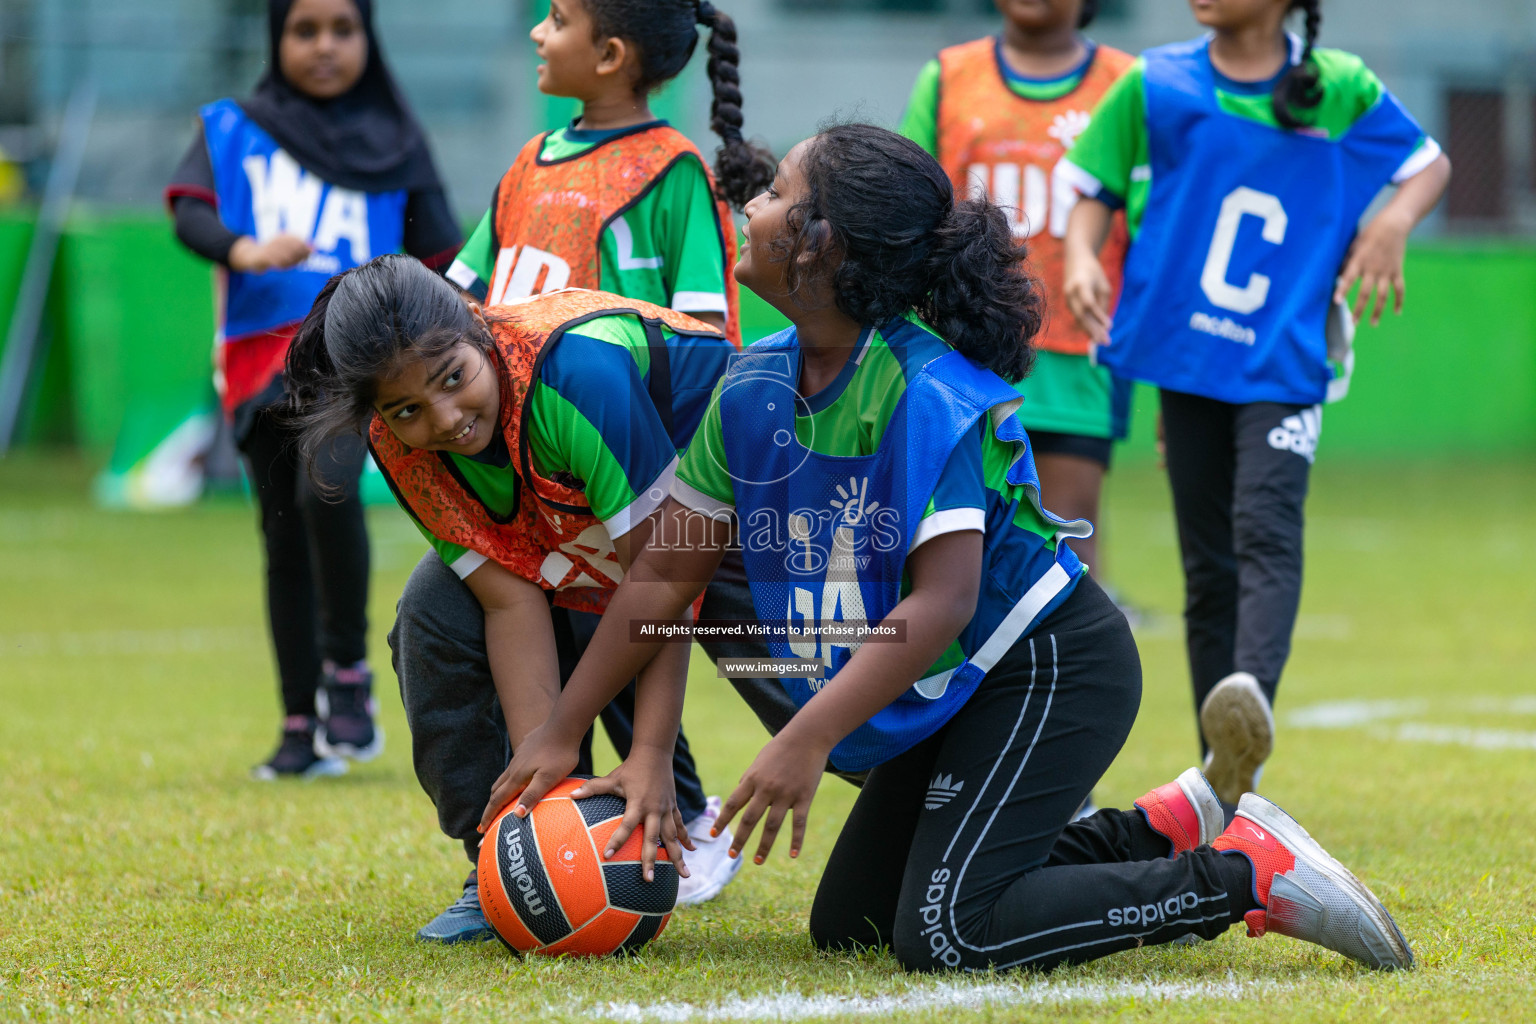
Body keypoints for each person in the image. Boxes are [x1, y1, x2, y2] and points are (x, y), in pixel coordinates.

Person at [484, 124, 1414, 973]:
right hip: (956, 693)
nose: (749, 205)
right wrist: (564, 730)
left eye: (772, 192)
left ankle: (1247, 875)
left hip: (1049, 667)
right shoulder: (750, 385)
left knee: (949, 931)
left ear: (821, 244)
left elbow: (943, 604)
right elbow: (662, 573)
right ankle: (1169, 824)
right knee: (851, 926)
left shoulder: (926, 392)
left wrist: (805, 741)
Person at [283, 256, 787, 942]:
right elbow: (508, 598)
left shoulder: (578, 375)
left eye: (453, 379)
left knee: (820, 693)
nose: (447, 419)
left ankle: (937, 797)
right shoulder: (396, 446)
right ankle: (505, 863)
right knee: (433, 607)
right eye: (407, 410)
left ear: (478, 329)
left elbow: (667, 577)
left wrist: (649, 757)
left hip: (751, 513)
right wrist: (541, 780)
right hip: (604, 536)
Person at [1059, 0, 1451, 809]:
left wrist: (1393, 223)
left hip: (1284, 358)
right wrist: (1078, 257)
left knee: (1266, 525)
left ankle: (1250, 710)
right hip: (1187, 356)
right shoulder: (1156, 83)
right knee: (1208, 567)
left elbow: (1428, 164)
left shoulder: (1334, 85)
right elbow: (1093, 182)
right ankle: (1221, 769)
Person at [164, 0, 462, 781]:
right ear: (276, 39)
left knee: (323, 486)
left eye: (342, 29)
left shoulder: (397, 138)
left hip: (350, 362)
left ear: (368, 38)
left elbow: (443, 255)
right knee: (281, 541)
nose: (324, 46)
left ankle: (349, 676)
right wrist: (245, 248)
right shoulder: (231, 126)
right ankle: (300, 725)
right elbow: (188, 216)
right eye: (305, 30)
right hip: (259, 367)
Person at [899, 0, 1132, 579]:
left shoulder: (1128, 84)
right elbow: (910, 204)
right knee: (952, 547)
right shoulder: (949, 76)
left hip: (1082, 352)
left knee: (1068, 555)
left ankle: (1073, 669)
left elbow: (1155, 220)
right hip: (960, 346)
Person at [446, 0, 774, 345]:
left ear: (609, 55)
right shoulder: (532, 158)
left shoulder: (673, 168)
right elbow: (464, 296)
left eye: (557, 20)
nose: (536, 32)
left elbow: (702, 335)